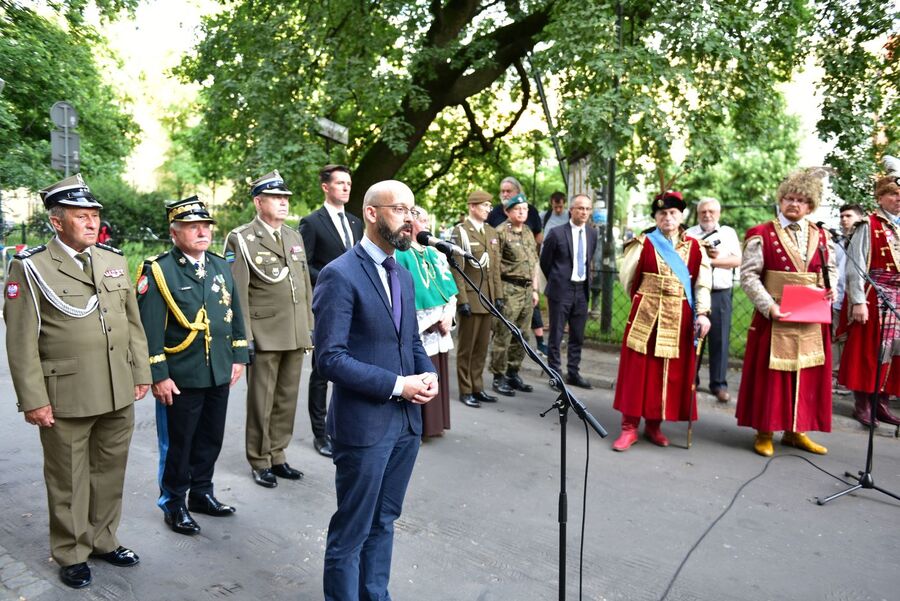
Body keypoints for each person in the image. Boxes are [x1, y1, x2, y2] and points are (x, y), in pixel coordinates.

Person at [4, 174, 151, 588]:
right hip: (65, 391)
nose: (91, 222)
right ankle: (71, 551)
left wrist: (141, 372)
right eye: (81, 216)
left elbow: (132, 324)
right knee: (68, 476)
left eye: (93, 215)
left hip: (116, 387)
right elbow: (20, 341)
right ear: (57, 221)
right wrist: (33, 398)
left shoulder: (112, 260)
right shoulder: (30, 267)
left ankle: (104, 539)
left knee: (110, 470)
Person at [313, 180, 438, 601]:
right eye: (400, 209)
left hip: (404, 427)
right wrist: (399, 385)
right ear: (371, 212)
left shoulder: (402, 273)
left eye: (413, 210)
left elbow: (411, 341)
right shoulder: (339, 274)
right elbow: (329, 358)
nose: (410, 219)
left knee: (384, 521)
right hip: (363, 427)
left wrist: (426, 374)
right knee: (353, 529)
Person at [137, 196, 249, 535]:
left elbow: (235, 315)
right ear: (174, 233)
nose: (202, 232)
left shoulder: (218, 265)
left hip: (217, 369)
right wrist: (158, 375)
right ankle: (173, 502)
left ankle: (202, 492)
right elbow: (149, 329)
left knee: (210, 438)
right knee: (179, 444)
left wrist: (238, 356)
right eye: (192, 226)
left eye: (205, 226)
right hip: (181, 375)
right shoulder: (159, 270)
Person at [736, 168, 837, 457]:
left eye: (801, 200)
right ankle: (764, 432)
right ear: (781, 201)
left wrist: (832, 291)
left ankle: (796, 432)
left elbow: (830, 270)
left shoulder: (821, 235)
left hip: (810, 314)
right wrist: (769, 307)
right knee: (771, 376)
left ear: (810, 205)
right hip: (775, 313)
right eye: (789, 198)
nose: (794, 204)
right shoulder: (761, 233)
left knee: (805, 373)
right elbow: (749, 277)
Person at [225, 170, 313, 488]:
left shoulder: (293, 236)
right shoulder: (242, 238)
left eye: (285, 198)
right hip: (263, 333)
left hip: (293, 330)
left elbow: (304, 285)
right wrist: (243, 336)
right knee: (261, 400)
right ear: (258, 201)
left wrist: (309, 325)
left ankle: (278, 454)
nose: (283, 203)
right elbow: (237, 293)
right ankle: (259, 459)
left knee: (287, 397)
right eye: (277, 198)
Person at [611, 191, 712, 451]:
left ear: (681, 215)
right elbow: (628, 278)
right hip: (645, 314)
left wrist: (702, 313)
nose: (667, 217)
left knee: (666, 373)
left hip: (679, 318)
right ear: (655, 216)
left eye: (672, 213)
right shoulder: (643, 242)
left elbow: (701, 284)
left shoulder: (696, 246)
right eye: (662, 213)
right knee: (638, 370)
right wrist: (646, 298)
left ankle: (654, 425)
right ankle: (629, 427)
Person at [299, 165, 364, 458]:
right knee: (323, 370)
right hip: (329, 304)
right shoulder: (312, 222)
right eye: (340, 183)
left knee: (354, 365)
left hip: (358, 304)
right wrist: (333, 275)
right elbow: (304, 265)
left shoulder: (355, 223)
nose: (346, 188)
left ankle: (346, 425)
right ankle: (320, 432)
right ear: (326, 187)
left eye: (348, 183)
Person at [837, 178, 900, 427]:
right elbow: (856, 266)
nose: (898, 199)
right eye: (894, 194)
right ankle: (862, 404)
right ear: (881, 197)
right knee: (869, 352)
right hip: (875, 295)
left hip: (897, 297)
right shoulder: (868, 224)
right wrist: (858, 301)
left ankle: (881, 403)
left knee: (894, 351)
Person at [396, 206, 458, 437]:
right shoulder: (401, 254)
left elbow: (449, 288)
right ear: (410, 224)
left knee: (438, 372)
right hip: (421, 329)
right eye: (421, 220)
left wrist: (448, 314)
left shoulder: (433, 253)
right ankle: (417, 428)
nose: (427, 225)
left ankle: (436, 425)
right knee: (421, 373)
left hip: (441, 324)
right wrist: (428, 322)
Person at [684, 198, 742, 403]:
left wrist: (712, 261)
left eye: (711, 212)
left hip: (720, 292)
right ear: (698, 213)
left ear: (718, 213)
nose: (707, 215)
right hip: (696, 292)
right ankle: (691, 380)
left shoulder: (728, 233)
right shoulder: (689, 234)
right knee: (693, 337)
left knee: (720, 339)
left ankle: (719, 384)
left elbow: (737, 260)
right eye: (703, 212)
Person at [540, 194, 598, 389]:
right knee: (556, 334)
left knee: (578, 335)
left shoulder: (592, 233)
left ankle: (573, 372)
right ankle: (555, 375)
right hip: (561, 290)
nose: (584, 212)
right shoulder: (556, 233)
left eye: (587, 209)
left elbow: (588, 259)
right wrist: (557, 279)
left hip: (581, 291)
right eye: (580, 208)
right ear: (571, 210)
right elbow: (545, 262)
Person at [451, 190, 503, 408]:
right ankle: (465, 389)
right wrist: (461, 299)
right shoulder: (460, 232)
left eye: (490, 206)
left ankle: (477, 387)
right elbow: (457, 269)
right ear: (472, 206)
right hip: (471, 298)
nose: (488, 210)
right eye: (484, 206)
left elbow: (495, 269)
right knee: (467, 348)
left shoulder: (491, 231)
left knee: (482, 348)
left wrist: (498, 296)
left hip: (488, 298)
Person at [490, 193, 540, 396]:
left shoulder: (528, 231)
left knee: (523, 335)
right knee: (503, 333)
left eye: (525, 209)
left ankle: (513, 372)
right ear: (507, 212)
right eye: (518, 209)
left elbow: (534, 262)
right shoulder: (500, 232)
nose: (522, 212)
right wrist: (498, 295)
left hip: (527, 290)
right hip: (508, 289)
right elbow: (494, 266)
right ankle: (498, 376)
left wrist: (535, 289)